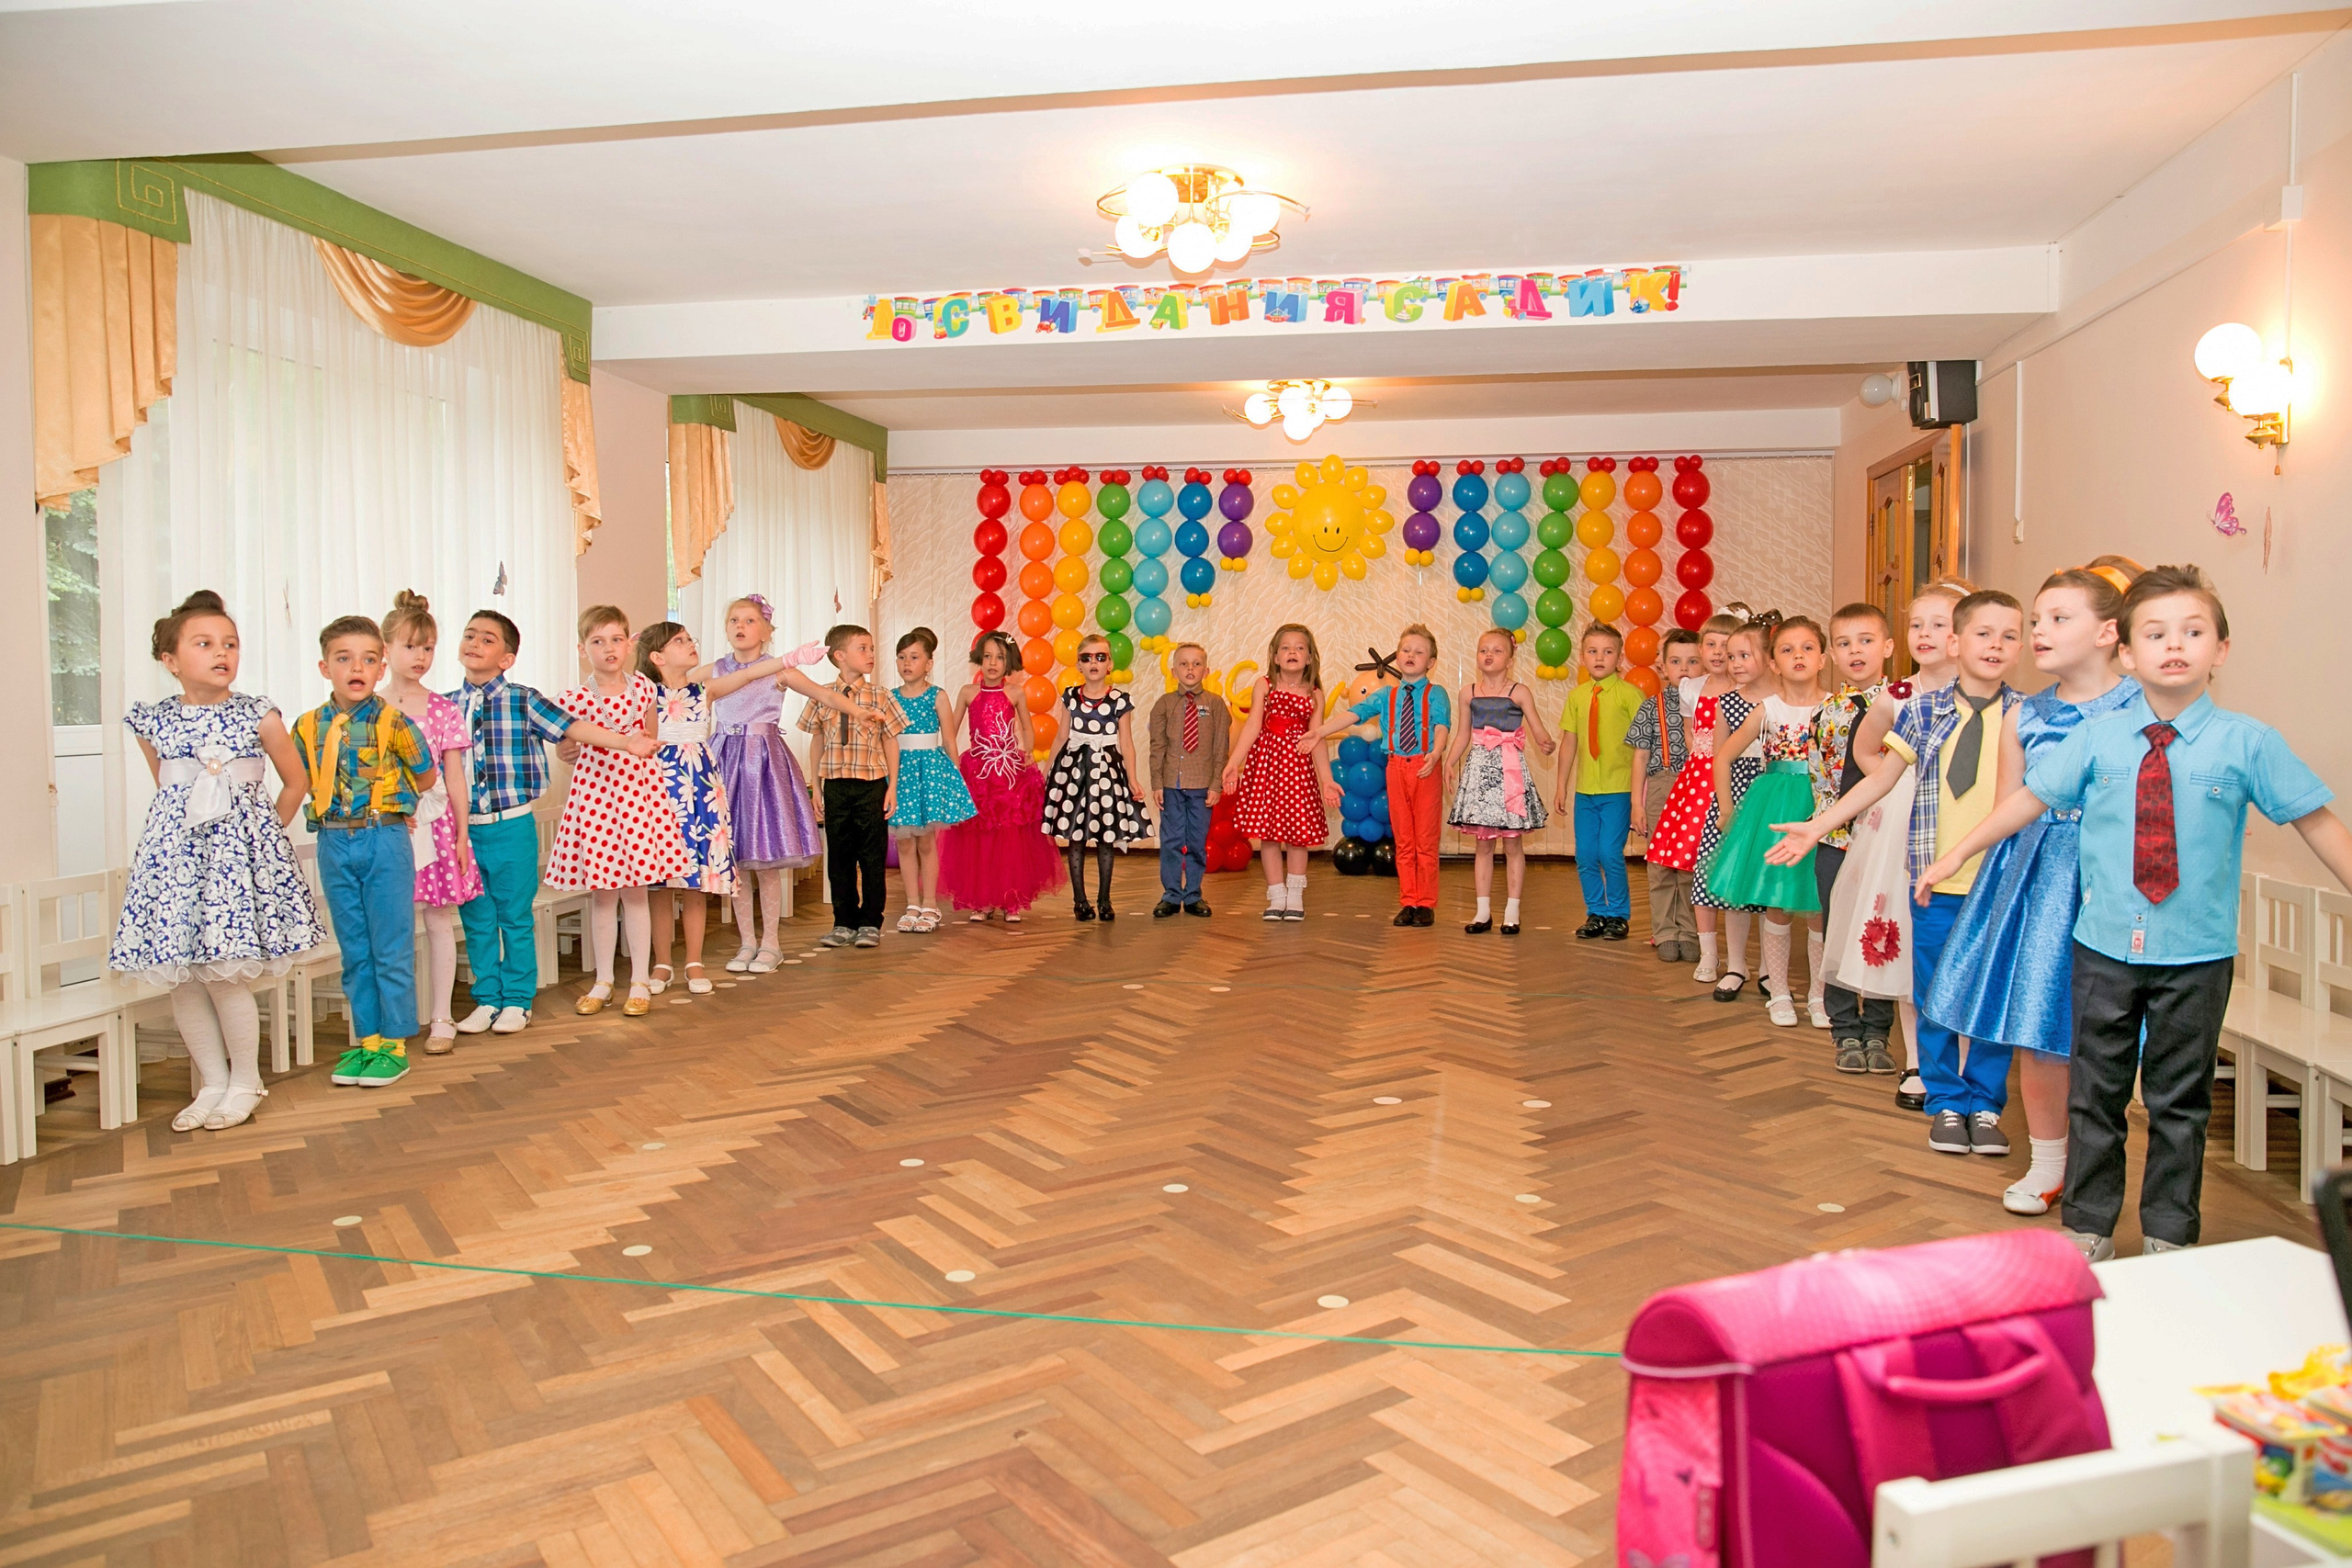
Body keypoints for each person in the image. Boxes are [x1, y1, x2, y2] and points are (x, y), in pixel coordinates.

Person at [1920, 565, 2352, 1257]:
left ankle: (2170, 1234)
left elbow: (2318, 822)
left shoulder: (2249, 742)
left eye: (2193, 631)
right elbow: (2028, 800)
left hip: (2197, 953)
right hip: (2103, 946)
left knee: (2181, 1104)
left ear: (2222, 649)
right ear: (2127, 651)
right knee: (2096, 1095)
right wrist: (1954, 856)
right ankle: (2089, 1225)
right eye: (2156, 633)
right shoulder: (2096, 736)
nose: (2174, 645)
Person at [1917, 562, 2141, 1215]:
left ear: (2107, 632)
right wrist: (1954, 856)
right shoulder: (2026, 714)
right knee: (2040, 1026)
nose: (2039, 631)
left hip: (2114, 877)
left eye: (2055, 619)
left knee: (2106, 1032)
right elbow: (2008, 804)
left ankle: (2100, 1163)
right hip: (2040, 880)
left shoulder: (2141, 705)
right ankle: (2046, 1163)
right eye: (2036, 620)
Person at [1771, 590, 2026, 1156]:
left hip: (1995, 880)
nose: (1994, 646)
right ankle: (1943, 1099)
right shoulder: (1920, 711)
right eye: (1983, 634)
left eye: (2008, 636)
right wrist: (1819, 825)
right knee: (1930, 988)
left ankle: (1984, 1104)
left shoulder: (2026, 714)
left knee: (1990, 994)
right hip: (1931, 878)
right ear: (1959, 643)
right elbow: (1879, 778)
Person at [108, 591, 323, 1131]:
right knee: (184, 977)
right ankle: (211, 1081)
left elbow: (297, 782)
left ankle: (246, 1079)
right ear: (171, 660)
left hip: (237, 861)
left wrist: (258, 838)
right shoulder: (152, 720)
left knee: (225, 974)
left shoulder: (257, 713)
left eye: (230, 643)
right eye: (204, 644)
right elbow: (168, 786)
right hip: (175, 860)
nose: (221, 653)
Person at [447, 609, 656, 1037]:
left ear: (507, 658)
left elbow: (573, 729)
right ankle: (487, 998)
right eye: (470, 635)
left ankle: (518, 1001)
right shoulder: (446, 706)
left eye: (488, 639)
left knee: (515, 915)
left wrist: (624, 741)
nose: (475, 643)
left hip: (512, 825)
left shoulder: (525, 698)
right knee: (477, 917)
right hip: (464, 828)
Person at [1816, 581, 1969, 1110]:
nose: (1925, 635)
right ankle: (1916, 1061)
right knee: (1904, 938)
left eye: (1940, 624)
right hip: (1902, 827)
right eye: (1917, 626)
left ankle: (1962, 1066)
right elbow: (1863, 749)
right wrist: (1899, 780)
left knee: (1957, 946)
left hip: (1961, 827)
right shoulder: (1897, 695)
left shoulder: (1984, 698)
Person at [633, 621, 846, 991]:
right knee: (662, 885)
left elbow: (751, 672)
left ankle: (695, 964)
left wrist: (790, 658)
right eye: (680, 641)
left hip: (698, 794)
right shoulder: (641, 694)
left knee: (697, 881)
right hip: (659, 794)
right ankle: (663, 964)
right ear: (657, 656)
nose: (690, 643)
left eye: (689, 639)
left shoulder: (706, 690)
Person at [289, 614, 438, 1087]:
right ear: (323, 666)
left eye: (369, 659)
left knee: (389, 944)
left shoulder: (395, 721)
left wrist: (397, 804)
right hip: (334, 840)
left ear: (380, 668)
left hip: (383, 839)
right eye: (344, 658)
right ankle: (368, 1041)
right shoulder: (307, 725)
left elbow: (427, 774)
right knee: (354, 947)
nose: (357, 667)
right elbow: (300, 779)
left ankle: (395, 1043)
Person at [544, 604, 693, 1018]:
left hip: (639, 798)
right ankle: (604, 980)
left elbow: (651, 737)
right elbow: (566, 746)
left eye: (615, 639)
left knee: (638, 894)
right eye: (597, 641)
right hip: (596, 800)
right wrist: (566, 750)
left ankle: (640, 979)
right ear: (582, 648)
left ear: (629, 644)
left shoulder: (645, 687)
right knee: (604, 898)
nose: (608, 649)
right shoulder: (572, 698)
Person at [1707, 618, 1830, 1026]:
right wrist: (1727, 809)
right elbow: (1722, 756)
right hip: (1774, 809)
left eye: (1808, 648)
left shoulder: (1837, 707)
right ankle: (1778, 991)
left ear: (1823, 658)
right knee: (1777, 902)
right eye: (1788, 649)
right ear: (1774, 663)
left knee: (1818, 906)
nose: (1798, 656)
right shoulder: (1768, 709)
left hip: (1820, 810)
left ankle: (1819, 994)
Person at [708, 594, 833, 972]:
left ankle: (771, 943)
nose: (740, 626)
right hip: (724, 764)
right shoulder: (716, 669)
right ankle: (746, 941)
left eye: (748, 620)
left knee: (764, 858)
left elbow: (823, 694)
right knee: (735, 859)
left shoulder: (778, 671)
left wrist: (859, 710)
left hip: (763, 765)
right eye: (733, 620)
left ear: (766, 631)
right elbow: (675, 686)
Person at [380, 591, 481, 1055]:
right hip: (385, 828)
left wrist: (461, 834)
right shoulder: (369, 707)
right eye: (409, 646)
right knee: (390, 926)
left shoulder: (443, 709)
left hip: (437, 826)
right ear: (386, 649)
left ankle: (442, 1016)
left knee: (440, 921)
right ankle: (389, 1022)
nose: (419, 657)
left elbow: (456, 777)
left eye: (427, 647)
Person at [1300, 624, 1452, 925]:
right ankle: (1409, 901)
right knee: (1404, 840)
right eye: (1406, 650)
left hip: (1424, 767)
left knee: (1425, 839)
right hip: (1396, 767)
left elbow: (1441, 725)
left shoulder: (1437, 694)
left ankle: (1426, 904)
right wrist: (1318, 731)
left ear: (1430, 662)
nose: (1411, 655)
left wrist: (1435, 753)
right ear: (1397, 656)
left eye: (1419, 652)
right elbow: (1352, 714)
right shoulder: (1386, 696)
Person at [1810, 603, 1897, 1068]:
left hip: (1884, 840)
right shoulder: (1827, 710)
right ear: (1833, 656)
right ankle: (1844, 1028)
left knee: (1880, 930)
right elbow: (1820, 775)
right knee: (1837, 929)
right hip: (1837, 839)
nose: (1855, 651)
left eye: (1865, 640)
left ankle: (1879, 1029)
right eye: (1844, 644)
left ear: (1886, 646)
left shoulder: (1904, 705)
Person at [1222, 624, 1341, 921]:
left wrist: (1327, 780)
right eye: (1286, 647)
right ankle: (1276, 894)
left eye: (1300, 647)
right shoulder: (1265, 685)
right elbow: (1252, 727)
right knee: (1269, 836)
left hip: (1298, 771)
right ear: (1275, 657)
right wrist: (1234, 762)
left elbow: (1317, 739)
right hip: (1267, 768)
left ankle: (1295, 895)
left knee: (1297, 836)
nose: (1292, 652)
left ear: (1310, 657)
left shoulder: (1314, 694)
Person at [941, 631, 1062, 921]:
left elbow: (1027, 727)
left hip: (1009, 774)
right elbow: (951, 727)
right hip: (978, 772)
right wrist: (952, 759)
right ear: (979, 660)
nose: (993, 663)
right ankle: (983, 900)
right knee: (979, 839)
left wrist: (1029, 750)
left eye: (1000, 657)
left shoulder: (1015, 693)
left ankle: (1010, 899)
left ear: (1009, 663)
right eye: (987, 657)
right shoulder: (968, 692)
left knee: (1010, 839)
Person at [799, 623, 907, 949]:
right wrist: (817, 788)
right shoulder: (821, 695)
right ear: (840, 656)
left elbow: (891, 743)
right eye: (863, 648)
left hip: (871, 785)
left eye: (872, 648)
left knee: (872, 857)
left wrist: (892, 787)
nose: (871, 654)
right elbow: (816, 741)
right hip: (835, 786)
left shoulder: (881, 695)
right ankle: (843, 921)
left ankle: (871, 922)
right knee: (840, 858)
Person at [1442, 627, 1554, 934]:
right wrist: (1450, 762)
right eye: (1483, 650)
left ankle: (1512, 911)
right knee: (1483, 844)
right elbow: (1463, 733)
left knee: (1513, 843)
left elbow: (1537, 728)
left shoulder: (1518, 692)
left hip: (1509, 773)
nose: (1488, 655)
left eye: (1497, 650)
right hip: (1479, 772)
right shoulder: (1469, 693)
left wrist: (1546, 742)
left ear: (1510, 659)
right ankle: (1482, 912)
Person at [1657, 612, 1743, 980]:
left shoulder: (1745, 687)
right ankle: (1709, 952)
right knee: (1698, 861)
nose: (1718, 652)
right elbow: (1691, 733)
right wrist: (1702, 758)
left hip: (1736, 775)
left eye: (1727, 645)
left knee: (1731, 861)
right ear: (1701, 649)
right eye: (1711, 644)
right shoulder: (1691, 688)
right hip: (1699, 777)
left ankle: (1738, 957)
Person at [1041, 633, 1151, 921]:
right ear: (1078, 664)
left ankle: (1104, 899)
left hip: (1107, 774)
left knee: (1106, 836)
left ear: (1110, 664)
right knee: (1075, 837)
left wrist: (1133, 779)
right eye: (1087, 657)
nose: (1094, 662)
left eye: (1100, 657)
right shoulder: (1070, 697)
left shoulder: (1119, 700)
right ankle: (1080, 900)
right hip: (1075, 773)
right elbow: (1061, 736)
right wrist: (1048, 771)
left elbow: (1126, 743)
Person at [1694, 616, 1775, 991]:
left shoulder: (1784, 701)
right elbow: (1719, 757)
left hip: (1774, 796)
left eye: (1744, 655)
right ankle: (1736, 964)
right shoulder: (1727, 703)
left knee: (1767, 884)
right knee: (1734, 885)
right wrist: (1725, 807)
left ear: (1770, 658)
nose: (1735, 663)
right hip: (1736, 797)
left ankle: (1770, 968)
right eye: (1731, 656)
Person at [1554, 624, 1648, 941]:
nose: (1599, 658)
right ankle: (1596, 912)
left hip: (1618, 788)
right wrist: (1561, 785)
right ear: (1582, 657)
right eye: (1592, 652)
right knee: (1586, 854)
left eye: (1608, 652)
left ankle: (1618, 914)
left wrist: (1640, 795)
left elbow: (1644, 746)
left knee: (1609, 852)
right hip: (1586, 790)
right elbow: (1569, 742)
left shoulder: (1630, 695)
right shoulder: (1578, 696)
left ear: (1619, 658)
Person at [888, 626, 978, 932]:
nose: (906, 663)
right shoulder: (890, 697)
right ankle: (911, 903)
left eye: (914, 657)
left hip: (929, 772)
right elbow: (886, 740)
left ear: (928, 663)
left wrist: (955, 777)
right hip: (901, 772)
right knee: (903, 842)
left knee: (926, 842)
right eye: (901, 657)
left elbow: (950, 740)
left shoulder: (937, 696)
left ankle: (930, 904)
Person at [1629, 628, 1704, 961]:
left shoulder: (1709, 704)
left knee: (1689, 863)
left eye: (1692, 661)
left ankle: (1689, 931)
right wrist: (1637, 803)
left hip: (1698, 787)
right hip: (1661, 784)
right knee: (1660, 864)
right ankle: (1664, 931)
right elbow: (1640, 758)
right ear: (1663, 666)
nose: (1684, 668)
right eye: (1676, 661)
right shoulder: (1651, 707)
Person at [1148, 642, 1229, 918]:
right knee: (1171, 841)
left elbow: (1221, 748)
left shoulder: (1216, 705)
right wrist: (1156, 783)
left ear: (1206, 670)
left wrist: (1216, 784)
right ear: (1174, 671)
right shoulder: (1164, 704)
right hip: (1172, 784)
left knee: (1196, 841)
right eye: (1184, 664)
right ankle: (1171, 895)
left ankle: (1193, 894)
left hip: (1202, 786)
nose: (1190, 669)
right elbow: (1157, 746)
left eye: (1196, 664)